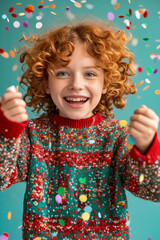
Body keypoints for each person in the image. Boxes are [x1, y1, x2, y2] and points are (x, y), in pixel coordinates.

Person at [0, 19, 160, 240]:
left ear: (105, 83)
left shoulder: (116, 138)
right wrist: (7, 133)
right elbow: (2, 176)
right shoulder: (33, 136)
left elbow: (153, 190)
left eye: (90, 74)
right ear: (46, 82)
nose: (76, 84)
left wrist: (147, 148)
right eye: (63, 73)